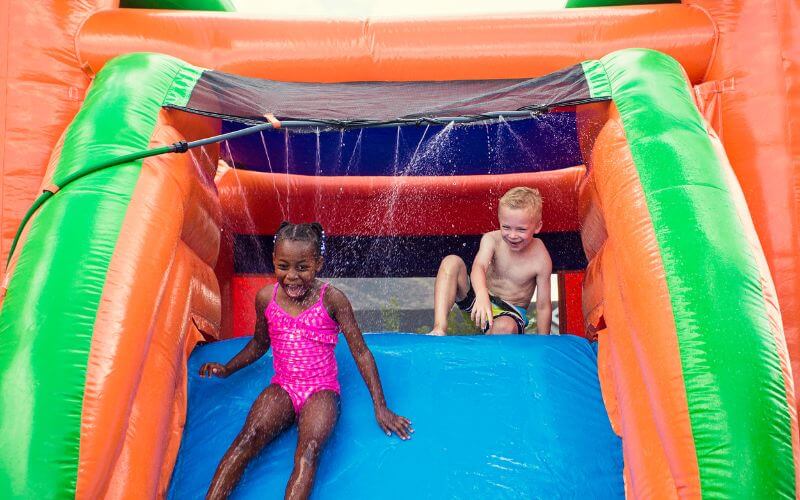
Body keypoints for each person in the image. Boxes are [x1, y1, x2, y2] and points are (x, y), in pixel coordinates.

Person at [200, 222, 412, 500]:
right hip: (284, 387)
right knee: (248, 437)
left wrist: (381, 406)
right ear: (274, 262)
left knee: (309, 451)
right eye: (283, 266)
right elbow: (259, 343)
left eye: (302, 267)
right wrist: (228, 368)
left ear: (318, 264)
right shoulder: (267, 298)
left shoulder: (332, 300)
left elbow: (360, 351)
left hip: (320, 391)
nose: (292, 277)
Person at [430, 187, 552, 335]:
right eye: (506, 227)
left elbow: (543, 306)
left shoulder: (541, 257)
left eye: (521, 230)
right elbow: (479, 267)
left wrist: (544, 341)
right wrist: (481, 296)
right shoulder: (492, 239)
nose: (512, 235)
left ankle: (489, 342)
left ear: (537, 227)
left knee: (505, 327)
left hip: (510, 313)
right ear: (499, 221)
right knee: (451, 262)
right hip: (480, 302)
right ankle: (439, 327)